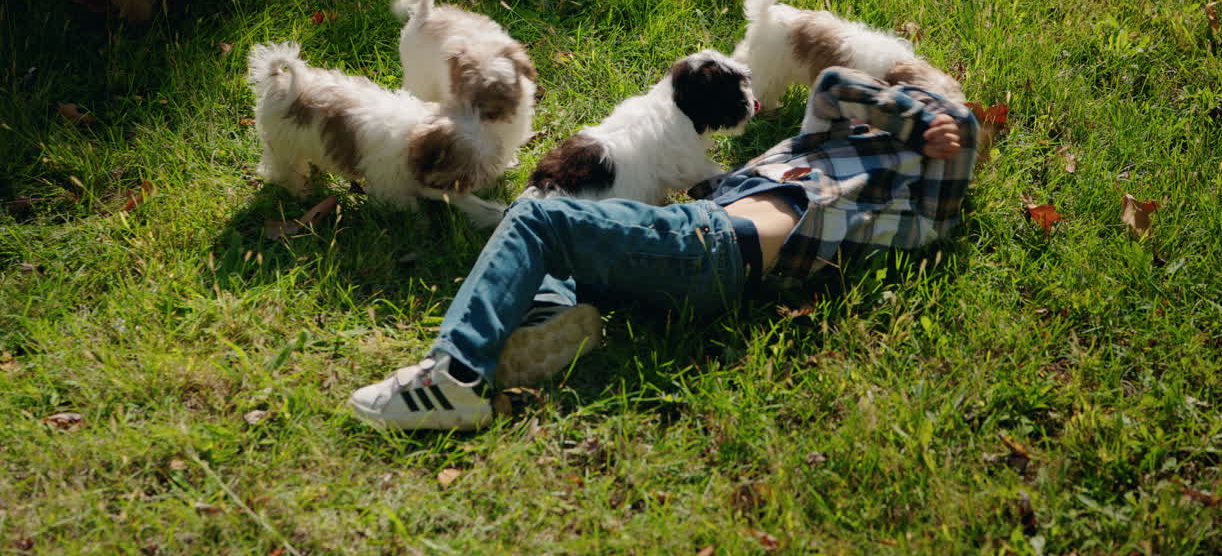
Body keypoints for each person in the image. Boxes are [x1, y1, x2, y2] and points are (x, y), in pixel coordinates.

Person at [347, 66, 979, 431]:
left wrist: (932, 123)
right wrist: (906, 109)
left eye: (928, 107)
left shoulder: (913, 211)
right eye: (905, 102)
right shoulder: (818, 141)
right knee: (556, 241)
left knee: (538, 219)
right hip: (695, 238)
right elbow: (835, 83)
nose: (919, 115)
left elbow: (964, 134)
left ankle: (453, 375)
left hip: (714, 248)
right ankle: (552, 316)